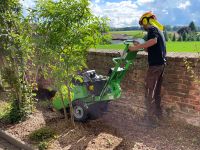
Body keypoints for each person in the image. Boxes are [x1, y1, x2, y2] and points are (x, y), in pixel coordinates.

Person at [129, 11, 166, 127]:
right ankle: (158, 115)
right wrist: (141, 46)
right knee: (156, 92)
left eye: (142, 23)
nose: (142, 26)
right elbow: (153, 47)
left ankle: (151, 120)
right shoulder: (159, 30)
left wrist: (135, 48)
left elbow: (153, 41)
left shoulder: (152, 29)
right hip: (161, 65)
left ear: (146, 21)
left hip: (155, 66)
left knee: (150, 91)